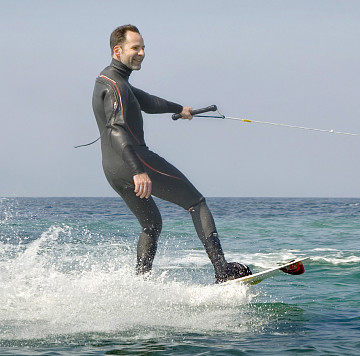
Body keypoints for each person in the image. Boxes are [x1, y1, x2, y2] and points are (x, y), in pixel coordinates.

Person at [91, 24, 251, 283]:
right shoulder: (117, 87)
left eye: (143, 48)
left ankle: (141, 282)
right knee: (196, 203)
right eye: (135, 48)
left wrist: (181, 109)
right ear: (117, 50)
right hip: (133, 160)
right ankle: (222, 270)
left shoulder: (110, 80)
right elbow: (117, 129)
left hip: (111, 168)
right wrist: (138, 171)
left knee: (152, 224)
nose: (142, 53)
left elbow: (148, 101)